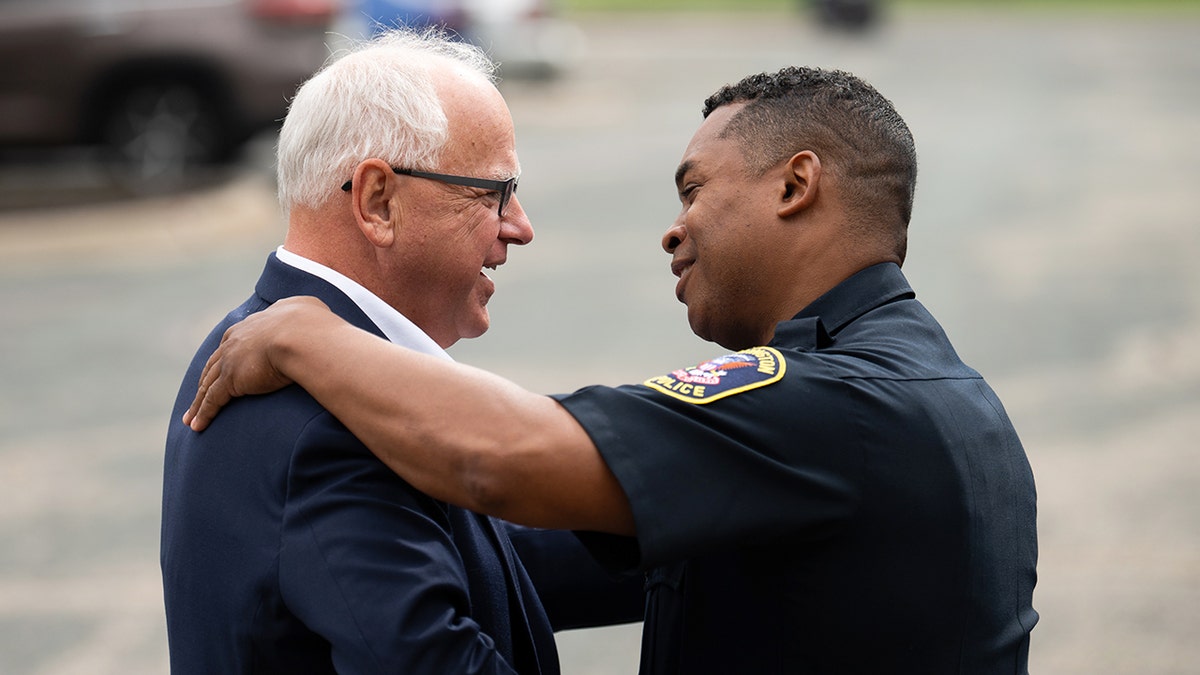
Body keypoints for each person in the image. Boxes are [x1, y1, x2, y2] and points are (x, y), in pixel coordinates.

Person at [185, 66, 1040, 673]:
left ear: (796, 185)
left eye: (693, 189)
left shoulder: (837, 404)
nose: (672, 230)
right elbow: (518, 562)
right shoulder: (923, 388)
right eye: (493, 194)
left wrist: (309, 337)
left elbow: (503, 457)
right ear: (376, 199)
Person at [161, 28, 641, 674]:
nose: (520, 227)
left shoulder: (256, 340)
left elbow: (490, 557)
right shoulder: (329, 419)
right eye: (493, 193)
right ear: (378, 200)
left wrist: (716, 540)